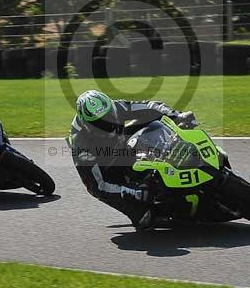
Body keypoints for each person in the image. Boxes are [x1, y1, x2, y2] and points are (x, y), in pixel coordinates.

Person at [67, 89, 198, 230]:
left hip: (122, 142)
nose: (109, 124)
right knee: (144, 219)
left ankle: (172, 154)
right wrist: (132, 191)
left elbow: (150, 106)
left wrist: (177, 115)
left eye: (109, 117)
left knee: (152, 119)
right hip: (105, 165)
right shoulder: (80, 144)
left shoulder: (117, 107)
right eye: (101, 124)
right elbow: (96, 186)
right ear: (88, 125)